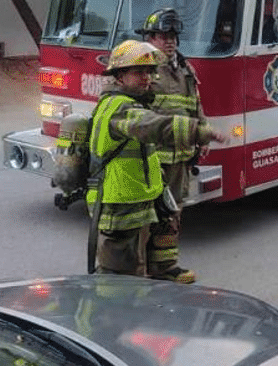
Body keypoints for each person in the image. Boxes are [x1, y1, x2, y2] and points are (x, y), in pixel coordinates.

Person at [87, 39, 223, 280]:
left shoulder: (132, 103)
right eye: (138, 72)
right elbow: (154, 125)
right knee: (120, 283)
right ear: (119, 77)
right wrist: (199, 132)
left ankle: (160, 275)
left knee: (134, 274)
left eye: (149, 72)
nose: (146, 78)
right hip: (120, 208)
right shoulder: (119, 107)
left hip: (134, 200)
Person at [136, 8, 210, 283]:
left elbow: (195, 104)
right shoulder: (141, 67)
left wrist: (201, 133)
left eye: (174, 36)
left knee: (172, 213)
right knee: (144, 215)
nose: (170, 42)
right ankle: (136, 271)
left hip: (179, 156)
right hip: (151, 157)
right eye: (164, 36)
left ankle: (165, 267)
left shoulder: (184, 67)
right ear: (150, 37)